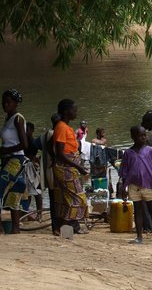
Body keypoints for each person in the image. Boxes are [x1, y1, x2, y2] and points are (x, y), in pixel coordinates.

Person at [0, 89, 29, 234]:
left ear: (16, 103)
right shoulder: (8, 118)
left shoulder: (18, 118)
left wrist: (5, 150)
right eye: (3, 101)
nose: (5, 104)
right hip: (9, 161)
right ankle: (15, 228)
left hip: (16, 160)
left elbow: (24, 144)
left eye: (8, 102)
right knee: (14, 193)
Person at [119, 126, 152, 244]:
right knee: (138, 210)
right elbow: (124, 171)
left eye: (145, 135)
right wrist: (124, 187)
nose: (144, 137)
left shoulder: (150, 150)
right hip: (133, 185)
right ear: (133, 137)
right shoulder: (128, 153)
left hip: (148, 184)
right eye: (140, 135)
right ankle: (139, 236)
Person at [53, 99, 89, 235]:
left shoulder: (65, 127)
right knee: (77, 198)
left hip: (69, 167)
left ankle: (68, 230)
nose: (76, 112)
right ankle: (61, 228)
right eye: (74, 110)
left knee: (66, 199)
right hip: (65, 167)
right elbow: (60, 153)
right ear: (65, 112)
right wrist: (78, 167)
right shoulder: (61, 127)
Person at [24, 122, 43, 219]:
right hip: (26, 166)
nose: (25, 132)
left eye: (27, 130)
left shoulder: (33, 142)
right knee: (27, 191)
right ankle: (26, 212)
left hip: (31, 167)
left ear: (32, 131)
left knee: (36, 191)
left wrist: (36, 159)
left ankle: (39, 213)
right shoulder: (24, 141)